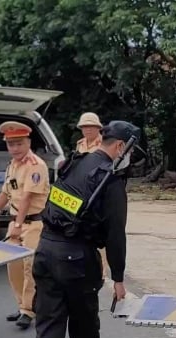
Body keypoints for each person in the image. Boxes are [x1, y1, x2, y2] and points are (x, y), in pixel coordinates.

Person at [31, 120, 139, 338]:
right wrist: (118, 278)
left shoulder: (73, 163)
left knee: (49, 326)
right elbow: (116, 234)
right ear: (120, 147)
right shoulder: (110, 180)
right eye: (129, 151)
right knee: (85, 319)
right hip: (76, 258)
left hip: (45, 250)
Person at [0, 121, 50, 330]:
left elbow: (27, 198)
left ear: (28, 142)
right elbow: (6, 192)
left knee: (30, 268)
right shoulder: (12, 165)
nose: (15, 148)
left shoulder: (35, 165)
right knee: (13, 266)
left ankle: (29, 310)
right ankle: (22, 304)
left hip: (32, 222)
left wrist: (18, 224)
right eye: (11, 144)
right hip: (16, 222)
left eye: (19, 144)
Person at [74, 111, 109, 279]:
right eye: (84, 127)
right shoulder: (80, 144)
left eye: (90, 126)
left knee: (99, 233)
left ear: (98, 128)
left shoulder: (104, 144)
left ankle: (100, 273)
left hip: (99, 190)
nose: (87, 130)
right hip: (82, 191)